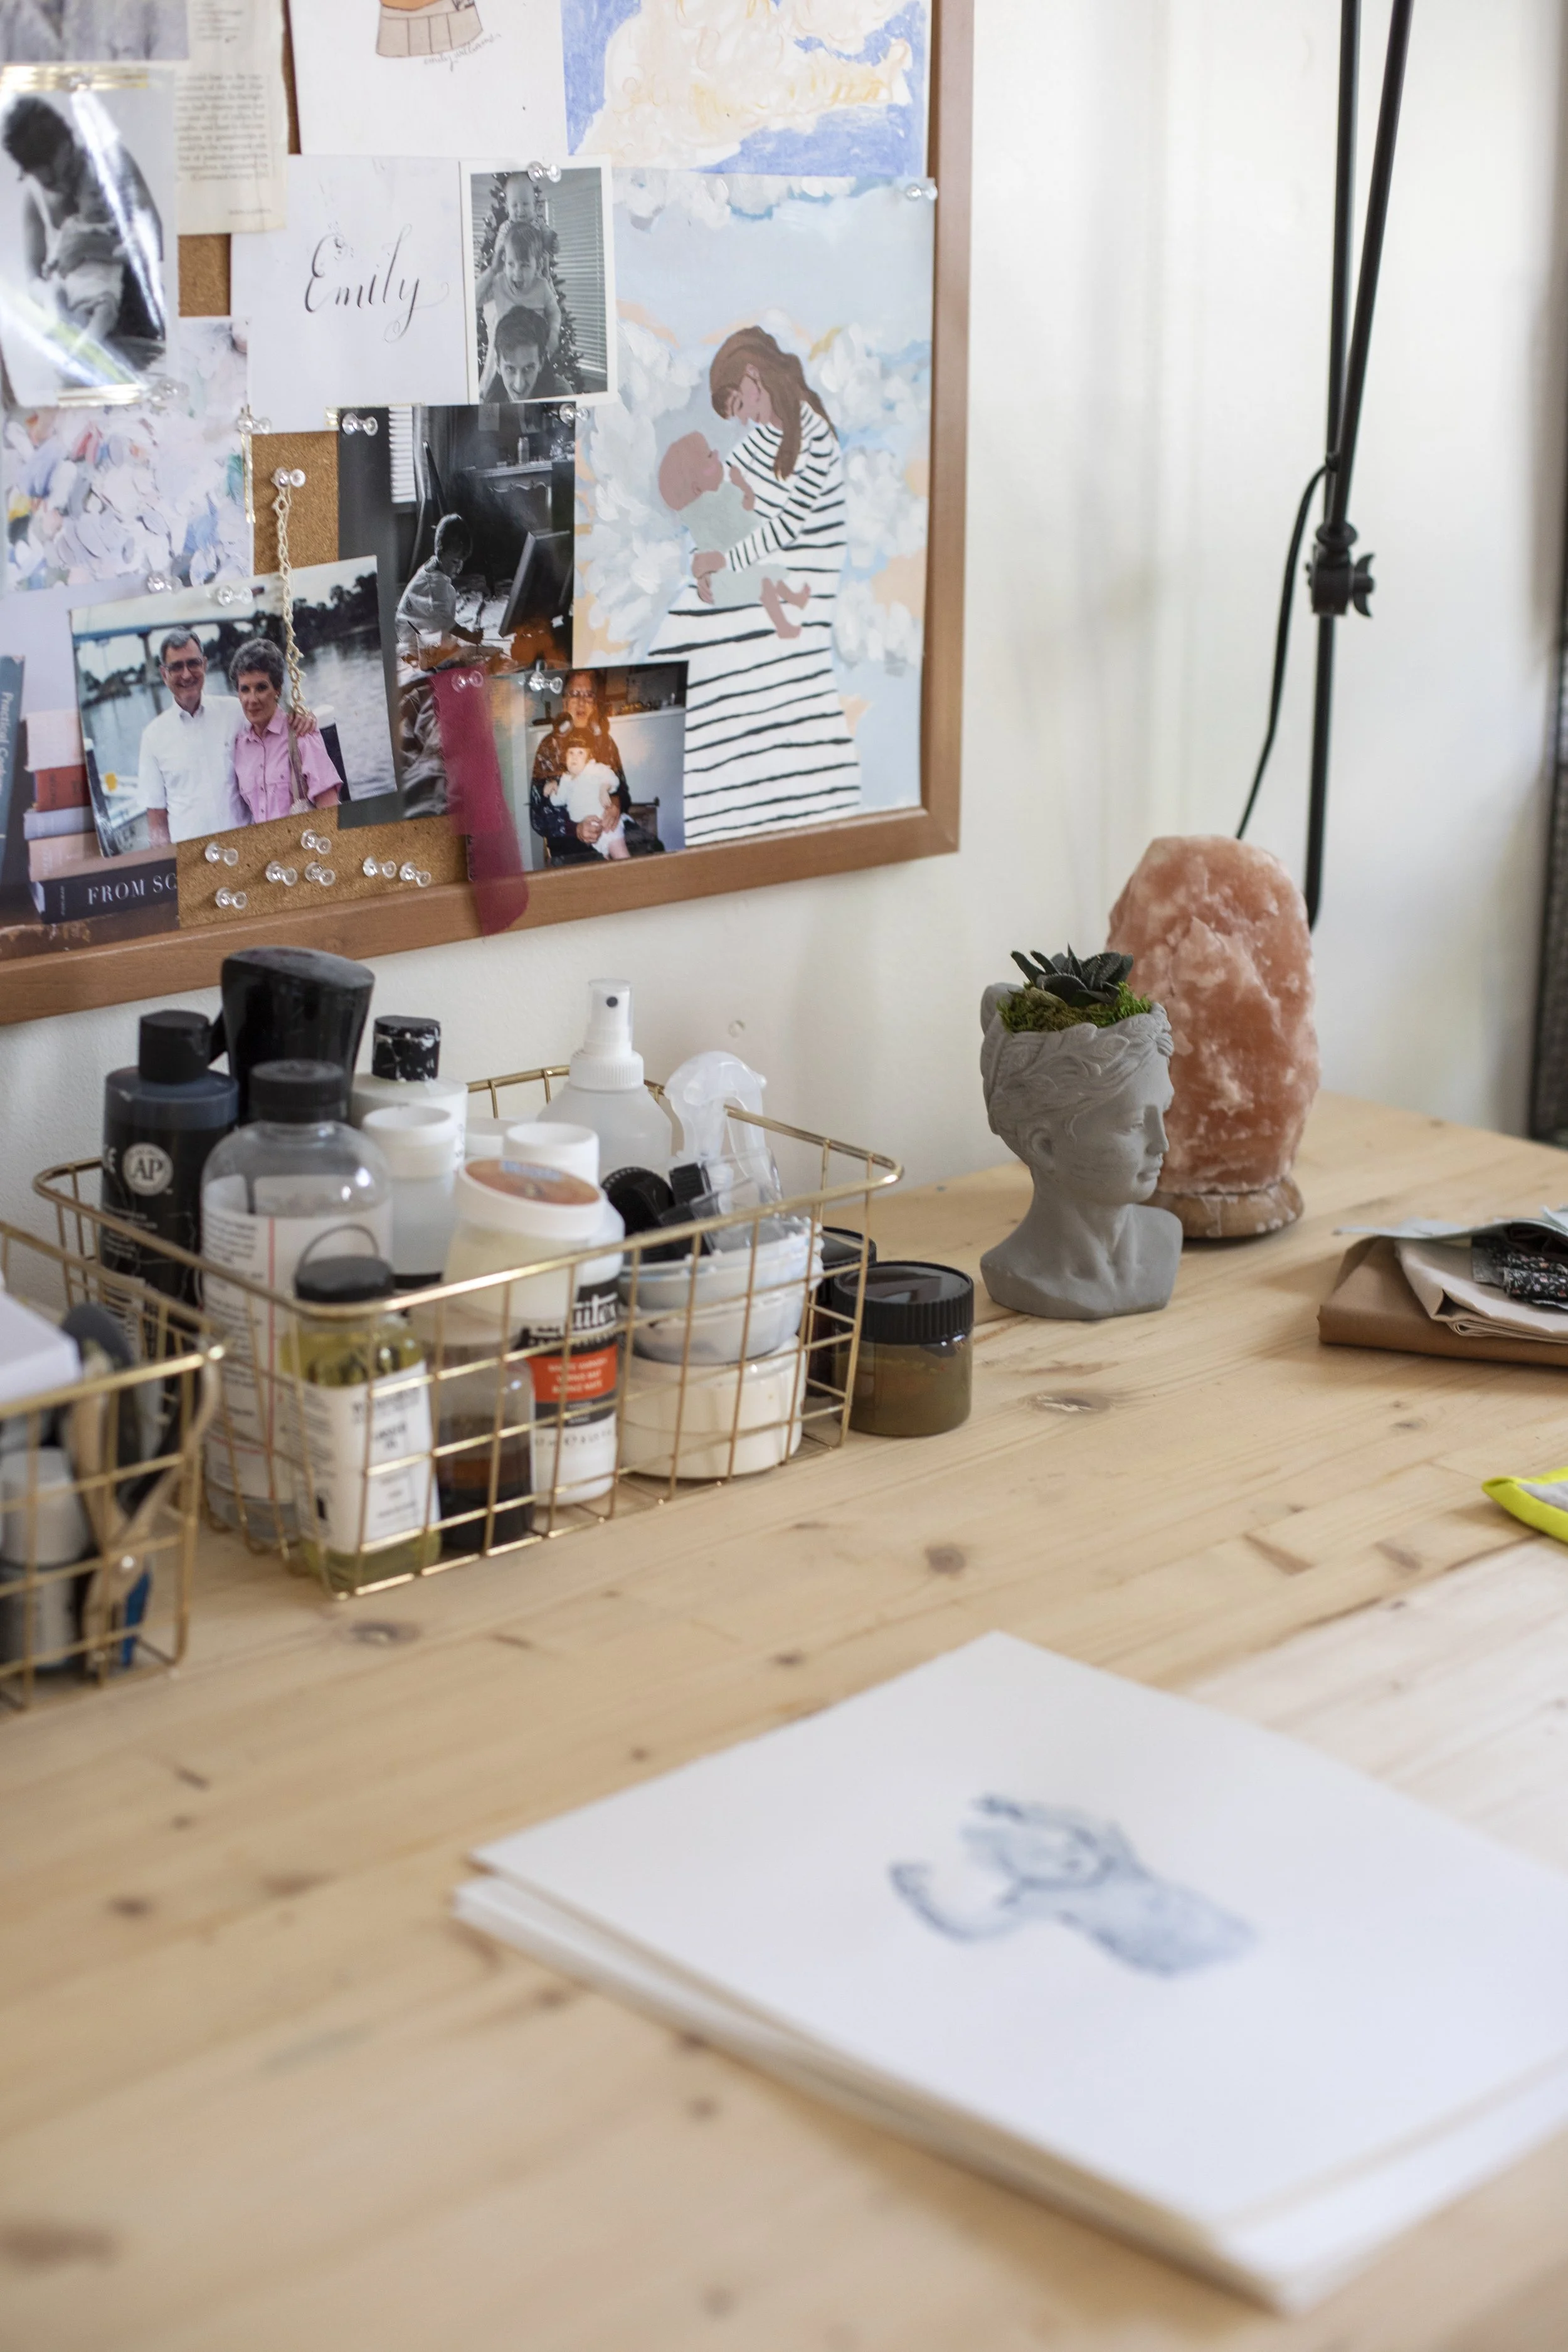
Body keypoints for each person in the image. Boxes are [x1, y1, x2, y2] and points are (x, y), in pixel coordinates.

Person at [649, 327, 859, 845]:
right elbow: (716, 506)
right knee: (669, 649)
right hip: (742, 565)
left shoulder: (815, 440)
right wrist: (701, 561)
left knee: (711, 661)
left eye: (741, 404)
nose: (742, 418)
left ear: (754, 375)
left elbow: (783, 531)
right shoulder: (760, 438)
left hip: (782, 572)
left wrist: (723, 558)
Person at [1, 90, 164, 372]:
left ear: (67, 143)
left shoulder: (111, 162)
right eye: (48, 182)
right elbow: (32, 279)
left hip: (132, 316)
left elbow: (155, 242)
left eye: (65, 173)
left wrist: (88, 247)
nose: (61, 186)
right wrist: (54, 296)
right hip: (75, 318)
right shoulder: (35, 201)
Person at [137, 628, 317, 847]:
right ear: (164, 674)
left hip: (245, 848)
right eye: (176, 667)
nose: (186, 674)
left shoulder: (236, 711)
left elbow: (274, 720)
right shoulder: (152, 736)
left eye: (193, 663)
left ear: (204, 665)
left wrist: (302, 716)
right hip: (191, 860)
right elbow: (156, 819)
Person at [657, 431, 811, 641]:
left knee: (769, 576)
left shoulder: (721, 496)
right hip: (724, 581)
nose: (717, 454)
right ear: (697, 488)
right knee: (766, 582)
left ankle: (794, 599)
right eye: (710, 457)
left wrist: (740, 483)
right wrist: (703, 574)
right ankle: (783, 626)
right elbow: (747, 506)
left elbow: (747, 506)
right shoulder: (709, 512)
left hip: (733, 568)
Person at [529, 670, 655, 862]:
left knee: (651, 851)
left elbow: (623, 791)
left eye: (588, 695)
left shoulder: (606, 742)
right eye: (575, 694)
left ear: (595, 703)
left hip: (609, 831)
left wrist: (616, 803)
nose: (582, 702)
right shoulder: (549, 746)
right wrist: (576, 828)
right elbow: (538, 816)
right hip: (569, 842)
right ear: (564, 702)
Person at [228, 638, 342, 825]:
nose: (253, 699)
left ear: (278, 690)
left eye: (261, 688)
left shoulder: (302, 735)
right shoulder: (240, 747)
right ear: (238, 695)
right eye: (245, 690)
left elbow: (331, 812)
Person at [474, 218, 560, 379]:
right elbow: (474, 299)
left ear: (538, 266)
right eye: (511, 264)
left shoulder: (541, 287)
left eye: (525, 265)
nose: (517, 273)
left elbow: (554, 312)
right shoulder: (500, 283)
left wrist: (554, 333)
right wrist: (493, 269)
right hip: (506, 363)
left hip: (533, 362)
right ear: (504, 262)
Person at [395, 513, 474, 665]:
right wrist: (467, 635)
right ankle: (408, 651)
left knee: (446, 637)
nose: (459, 568)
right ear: (440, 551)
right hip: (409, 626)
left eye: (462, 562)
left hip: (419, 615)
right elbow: (444, 618)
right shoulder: (435, 582)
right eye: (455, 562)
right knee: (432, 650)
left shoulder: (436, 565)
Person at [546, 737, 627, 859]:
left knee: (622, 858)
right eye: (571, 753)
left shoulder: (594, 769)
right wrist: (553, 787)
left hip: (606, 825)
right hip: (588, 833)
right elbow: (557, 801)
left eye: (580, 753)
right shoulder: (565, 780)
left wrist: (604, 789)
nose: (575, 757)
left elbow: (613, 779)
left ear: (588, 758)